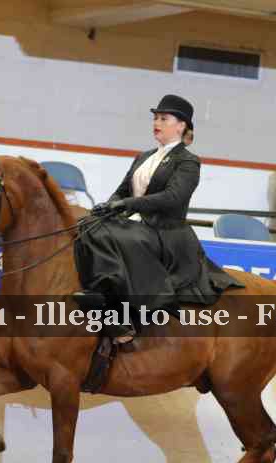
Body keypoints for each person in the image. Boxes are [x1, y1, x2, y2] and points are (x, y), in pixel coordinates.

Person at [73, 94, 240, 343]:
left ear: (181, 126)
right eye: (155, 118)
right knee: (87, 225)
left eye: (163, 118)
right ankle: (97, 292)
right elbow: (123, 190)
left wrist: (127, 204)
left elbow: (173, 197)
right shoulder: (144, 157)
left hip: (166, 231)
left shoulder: (188, 162)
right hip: (137, 224)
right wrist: (110, 205)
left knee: (117, 237)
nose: (157, 123)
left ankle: (123, 313)